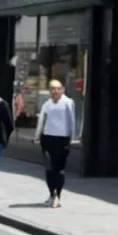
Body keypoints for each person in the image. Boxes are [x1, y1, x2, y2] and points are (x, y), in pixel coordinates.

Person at [34, 79, 76, 208]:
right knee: (49, 168)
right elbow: (41, 120)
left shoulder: (68, 103)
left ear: (62, 89)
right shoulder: (47, 104)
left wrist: (73, 137)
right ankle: (52, 194)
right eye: (52, 88)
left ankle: (58, 195)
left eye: (58, 88)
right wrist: (36, 136)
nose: (55, 91)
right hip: (47, 139)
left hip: (62, 139)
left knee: (59, 169)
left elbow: (72, 120)